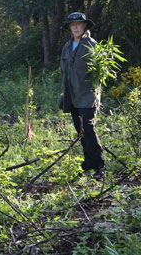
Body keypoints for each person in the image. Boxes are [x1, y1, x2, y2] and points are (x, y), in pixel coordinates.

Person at [59, 12, 105, 180]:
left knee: (89, 128)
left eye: (79, 24)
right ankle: (88, 163)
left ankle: (100, 165)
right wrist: (64, 95)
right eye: (73, 25)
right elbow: (64, 73)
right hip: (72, 96)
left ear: (84, 26)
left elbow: (101, 71)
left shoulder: (91, 45)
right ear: (70, 28)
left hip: (87, 95)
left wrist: (95, 91)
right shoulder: (66, 46)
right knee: (80, 130)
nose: (76, 27)